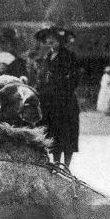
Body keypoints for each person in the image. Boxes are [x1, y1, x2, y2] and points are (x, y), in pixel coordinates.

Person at [34, 25, 80, 168]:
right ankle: (55, 163)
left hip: (64, 101)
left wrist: (59, 83)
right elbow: (40, 79)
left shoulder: (69, 56)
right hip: (48, 102)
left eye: (54, 39)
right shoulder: (45, 58)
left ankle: (66, 167)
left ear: (61, 41)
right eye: (48, 39)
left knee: (66, 134)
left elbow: (74, 78)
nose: (50, 42)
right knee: (52, 133)